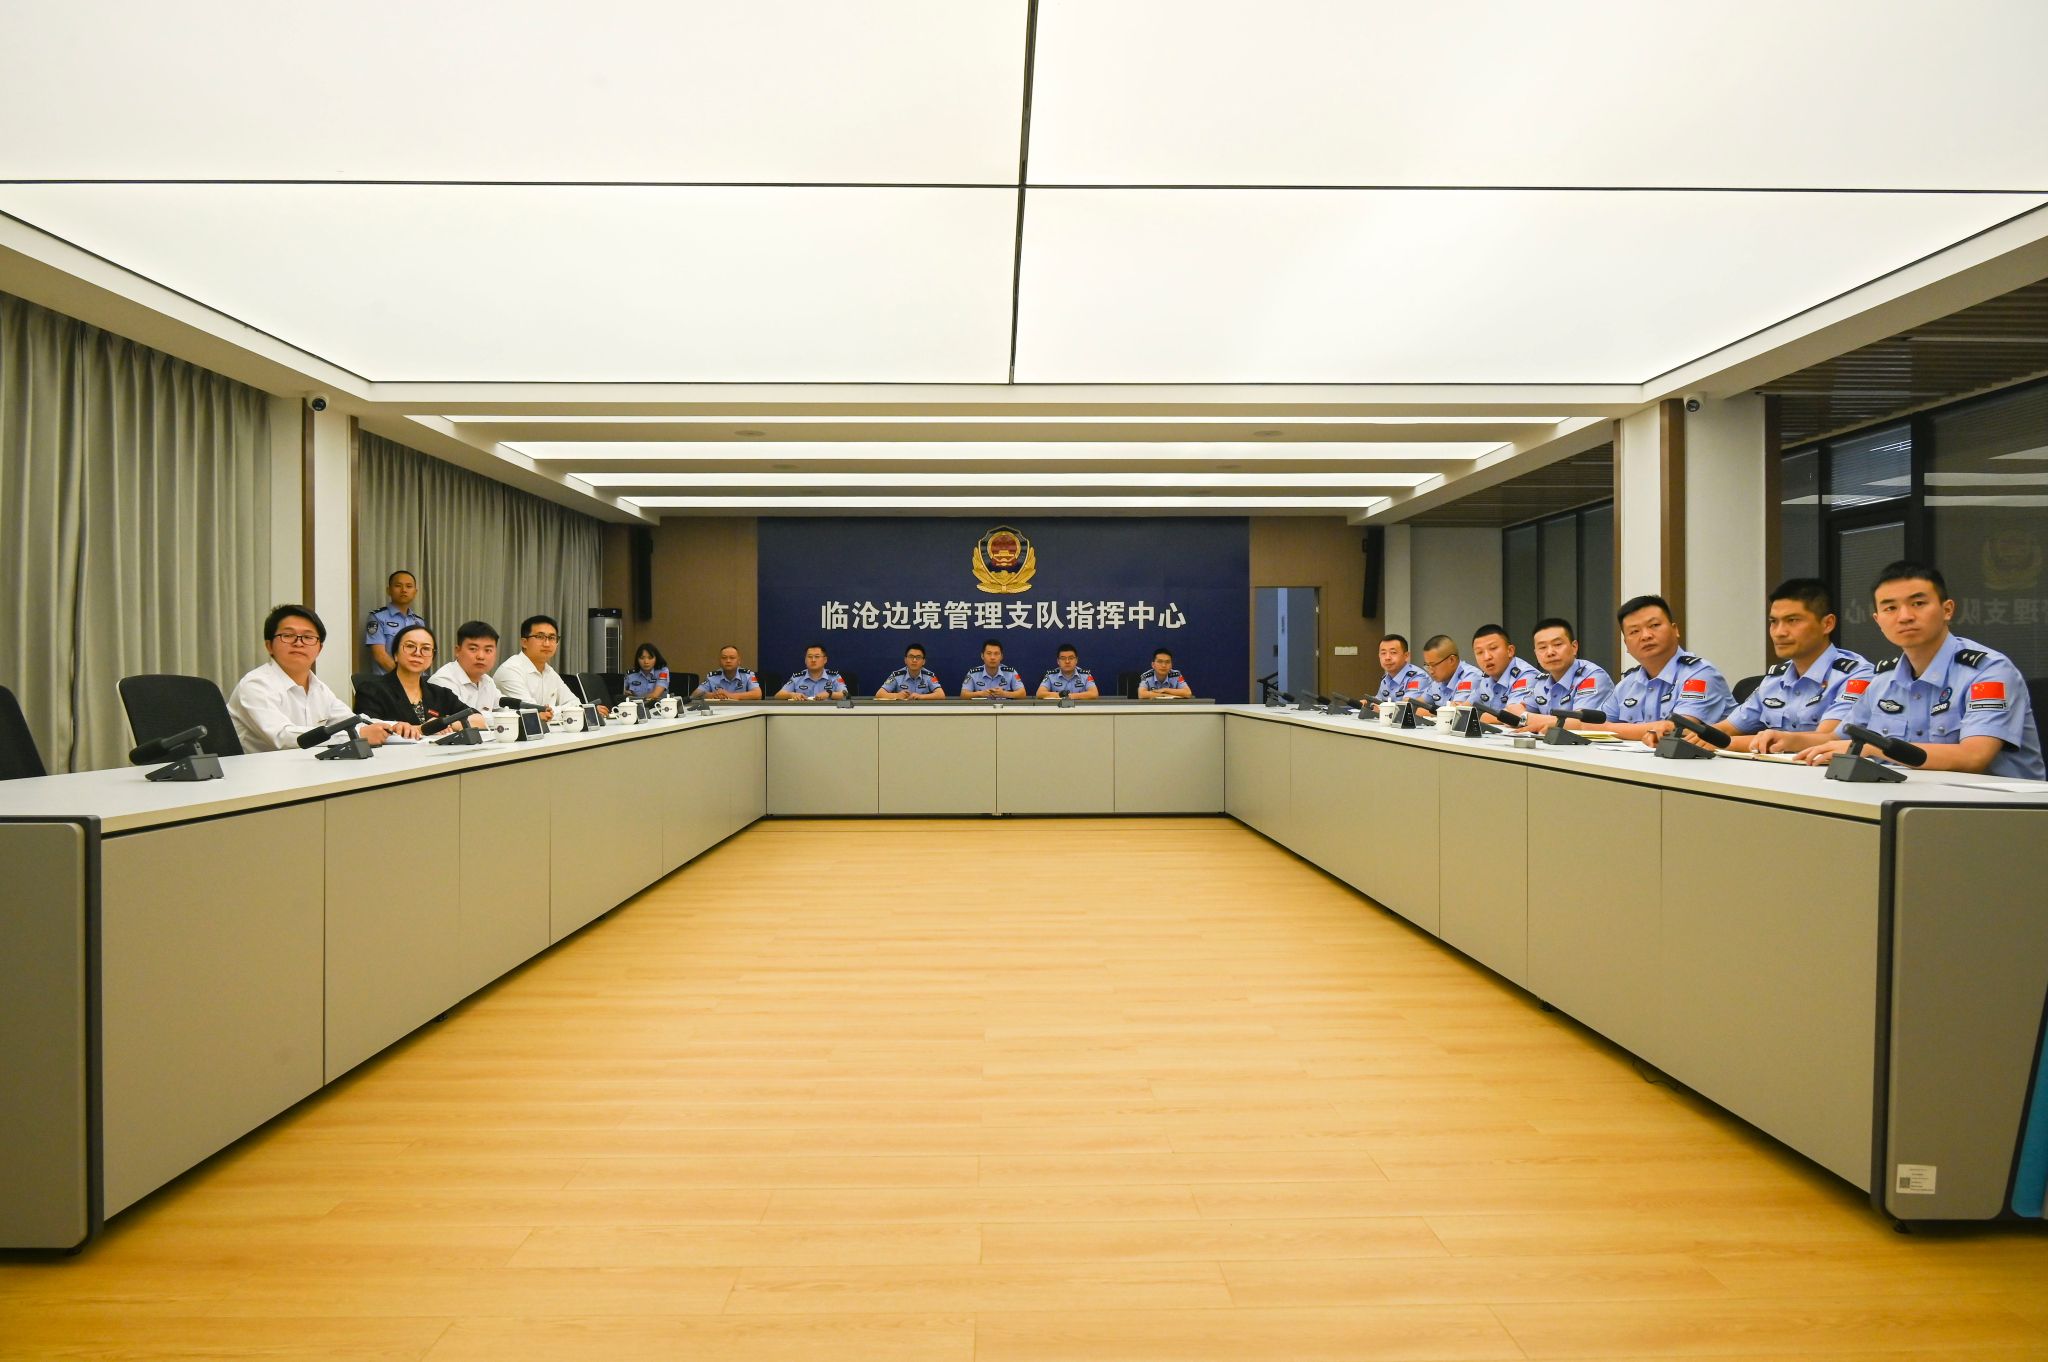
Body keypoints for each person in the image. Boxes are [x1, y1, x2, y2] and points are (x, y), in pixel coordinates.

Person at [1797, 561, 2044, 779]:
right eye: (1890, 608)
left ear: (1947, 610)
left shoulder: (1988, 671)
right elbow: (1838, 739)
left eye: (1918, 603)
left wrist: (1876, 748)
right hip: (1909, 798)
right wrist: (1784, 739)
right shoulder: (1883, 680)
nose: (1905, 616)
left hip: (1996, 807)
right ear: (1878, 620)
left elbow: (1974, 756)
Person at [1647, 579, 1871, 753]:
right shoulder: (1775, 679)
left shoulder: (1856, 675)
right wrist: (1681, 733)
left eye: (1793, 621)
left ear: (1827, 624)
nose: (1779, 632)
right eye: (1774, 622)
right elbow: (1727, 728)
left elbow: (1828, 739)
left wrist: (1724, 743)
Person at [229, 604, 408, 752]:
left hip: (305, 771)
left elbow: (351, 721)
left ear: (319, 649)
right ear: (269, 646)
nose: (298, 642)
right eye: (288, 635)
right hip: (261, 776)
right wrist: (356, 735)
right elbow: (282, 737)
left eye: (308, 637)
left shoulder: (319, 688)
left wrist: (393, 727)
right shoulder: (255, 685)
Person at [1596, 594, 1735, 742]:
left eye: (1654, 625)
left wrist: (1608, 728)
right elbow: (1596, 724)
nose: (1646, 636)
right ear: (1626, 645)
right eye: (1634, 631)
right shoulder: (1627, 684)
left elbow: (1677, 729)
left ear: (1675, 630)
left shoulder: (1700, 674)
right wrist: (1599, 727)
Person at [354, 624, 479, 733]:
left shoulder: (440, 693)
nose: (417, 653)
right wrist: (423, 729)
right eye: (410, 646)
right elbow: (367, 729)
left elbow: (478, 719)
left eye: (426, 648)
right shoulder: (371, 690)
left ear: (432, 658)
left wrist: (444, 724)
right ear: (395, 654)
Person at [1513, 617, 1616, 731]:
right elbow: (1513, 712)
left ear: (1574, 647)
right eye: (1542, 647)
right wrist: (1522, 715)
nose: (1550, 652)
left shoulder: (1593, 676)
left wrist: (1525, 717)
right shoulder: (1542, 683)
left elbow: (1579, 723)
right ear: (1536, 654)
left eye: (1557, 644)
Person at [495, 614, 592, 721]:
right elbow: (531, 713)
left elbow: (575, 704)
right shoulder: (510, 670)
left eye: (552, 638)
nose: (547, 643)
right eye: (540, 637)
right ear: (524, 642)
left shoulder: (550, 672)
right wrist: (565, 711)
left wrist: (552, 711)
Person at [429, 620, 504, 712]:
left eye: (488, 650)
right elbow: (459, 718)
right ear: (457, 651)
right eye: (473, 649)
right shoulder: (443, 682)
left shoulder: (487, 681)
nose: (481, 656)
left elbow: (505, 710)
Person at [363, 570, 426, 674]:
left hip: (416, 679)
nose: (404, 590)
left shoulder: (419, 622)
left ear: (415, 592)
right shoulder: (377, 617)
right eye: (398, 586)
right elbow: (380, 655)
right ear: (389, 590)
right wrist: (403, 676)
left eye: (409, 586)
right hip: (388, 680)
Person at [1470, 623, 1545, 711]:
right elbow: (1466, 707)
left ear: (1510, 651)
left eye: (1493, 648)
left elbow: (1513, 715)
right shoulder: (1485, 678)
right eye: (1479, 652)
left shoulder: (1527, 676)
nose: (1487, 657)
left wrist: (1481, 716)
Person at [1412, 634, 1489, 716]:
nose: (1430, 671)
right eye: (1427, 665)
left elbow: (1455, 714)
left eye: (1433, 665)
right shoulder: (1438, 680)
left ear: (1451, 660)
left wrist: (1431, 712)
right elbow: (1415, 706)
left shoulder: (1471, 677)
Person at [1372, 634, 1431, 706]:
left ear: (1406, 656)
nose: (1387, 658)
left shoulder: (1418, 677)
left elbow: (1406, 707)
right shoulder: (1386, 678)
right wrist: (1368, 704)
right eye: (1383, 653)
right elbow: (1378, 702)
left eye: (1393, 652)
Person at [777, 644, 848, 701]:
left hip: (828, 712)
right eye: (810, 657)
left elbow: (845, 694)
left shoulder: (835, 676)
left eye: (817, 656)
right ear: (805, 660)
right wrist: (792, 695)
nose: (813, 660)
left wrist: (830, 694)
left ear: (825, 660)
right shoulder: (797, 677)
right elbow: (778, 695)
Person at [876, 643, 946, 700]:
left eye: (918, 657)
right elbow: (879, 694)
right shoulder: (896, 675)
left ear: (923, 661)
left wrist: (920, 697)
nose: (914, 660)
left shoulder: (930, 676)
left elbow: (941, 694)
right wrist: (897, 695)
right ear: (905, 660)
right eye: (911, 656)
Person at [693, 646, 763, 702]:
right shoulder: (712, 676)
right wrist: (714, 695)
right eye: (724, 658)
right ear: (719, 661)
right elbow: (695, 694)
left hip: (742, 709)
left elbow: (758, 694)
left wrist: (729, 695)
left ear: (739, 661)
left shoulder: (748, 674)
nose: (728, 661)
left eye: (732, 658)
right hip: (718, 710)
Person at [961, 639, 1026, 699]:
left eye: (996, 653)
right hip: (981, 707)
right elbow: (963, 695)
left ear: (1001, 656)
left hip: (1004, 707)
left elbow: (1022, 694)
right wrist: (980, 694)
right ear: (982, 656)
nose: (992, 657)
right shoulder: (973, 673)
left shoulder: (1011, 672)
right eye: (989, 653)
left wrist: (1004, 694)